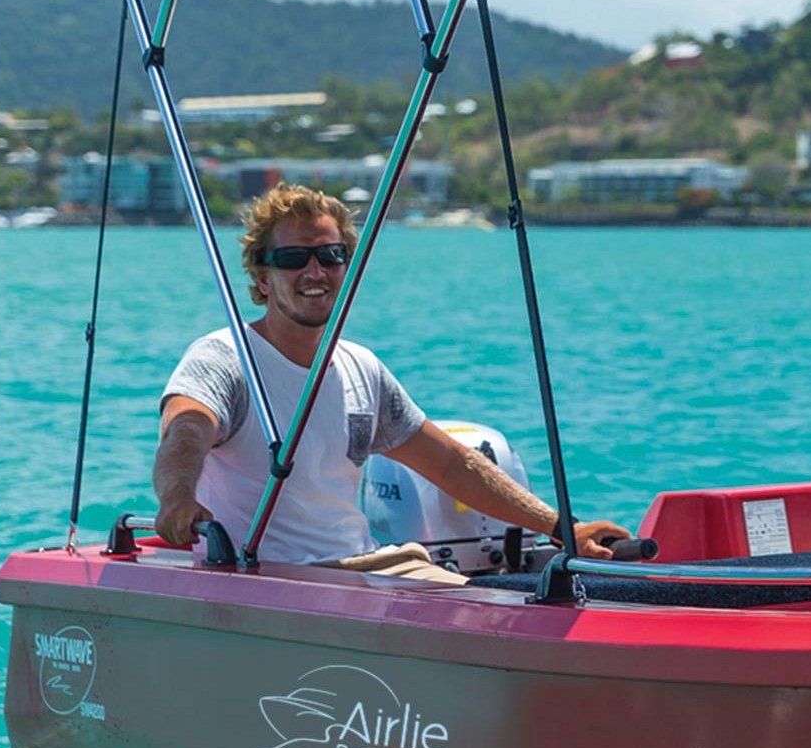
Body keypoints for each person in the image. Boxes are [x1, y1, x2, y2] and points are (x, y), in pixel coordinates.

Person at [154, 183, 624, 570]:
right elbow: (185, 430)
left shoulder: (362, 368)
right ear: (261, 278)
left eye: (331, 255)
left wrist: (563, 528)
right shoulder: (224, 357)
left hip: (361, 565)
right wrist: (177, 499)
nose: (315, 270)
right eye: (294, 258)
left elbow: (451, 466)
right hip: (267, 575)